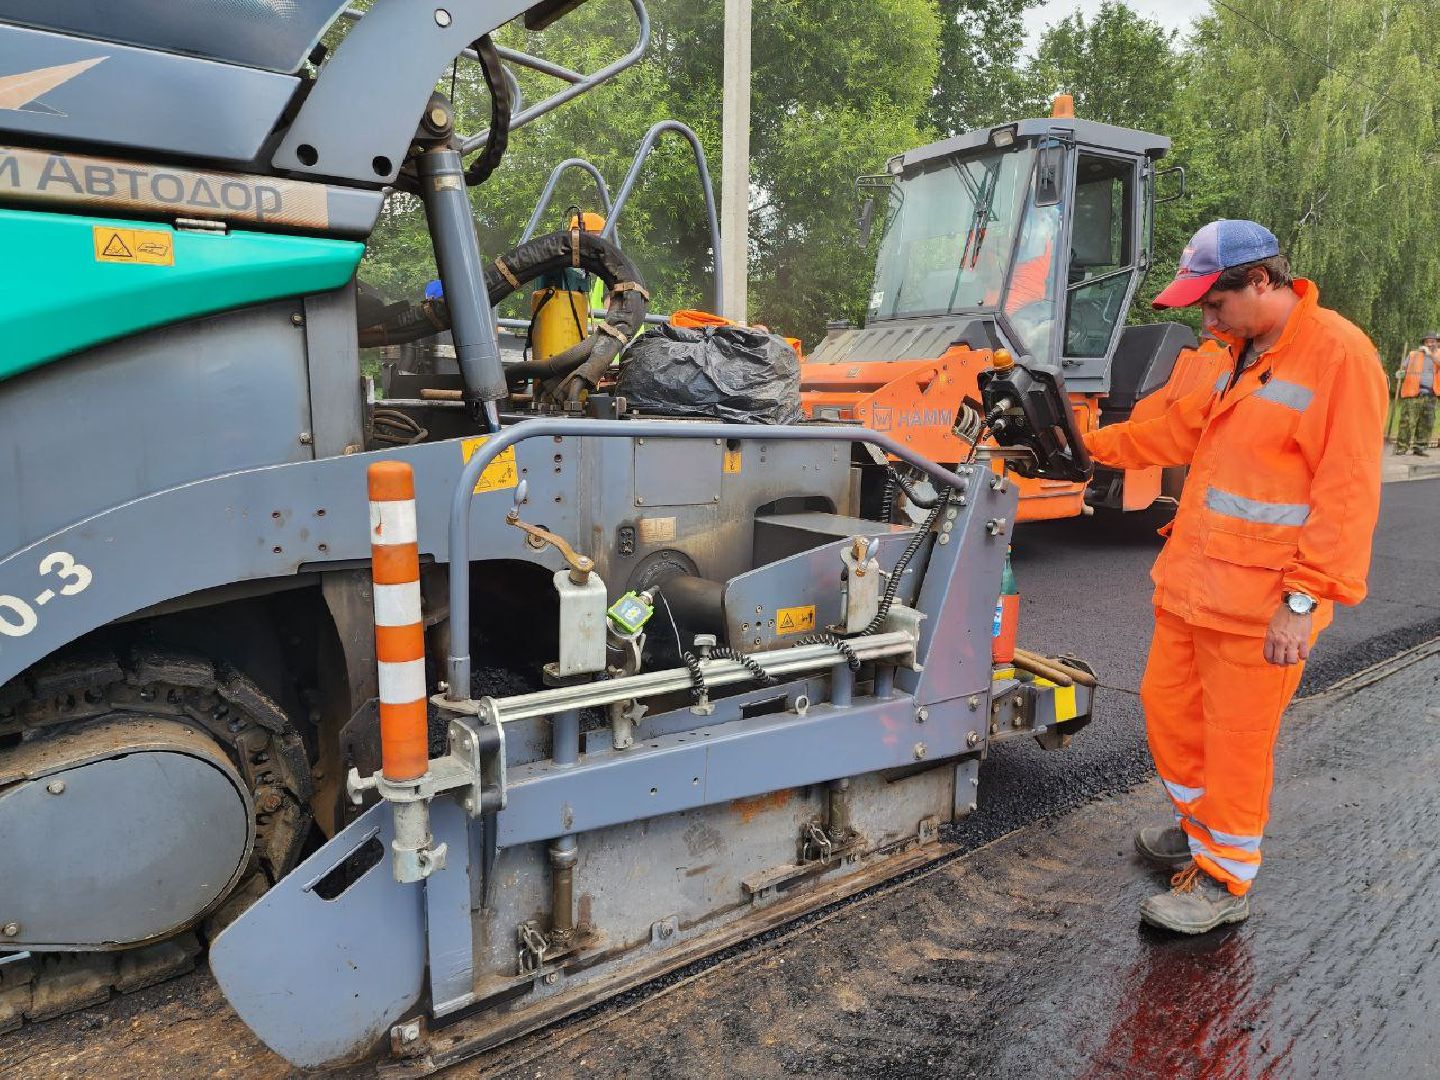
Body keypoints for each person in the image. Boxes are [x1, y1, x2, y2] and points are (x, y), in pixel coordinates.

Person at [1080, 219, 1388, 934]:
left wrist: (1303, 602)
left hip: (1263, 603)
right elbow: (1177, 430)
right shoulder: (1239, 354)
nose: (1207, 322)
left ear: (1260, 281)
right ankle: (1201, 830)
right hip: (1195, 584)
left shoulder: (1339, 356)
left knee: (1236, 741)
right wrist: (1085, 446)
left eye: (1215, 305)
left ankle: (1223, 876)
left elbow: (1347, 494)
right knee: (1169, 712)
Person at [1394, 331, 1440, 455]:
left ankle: (1420, 448)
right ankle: (1401, 447)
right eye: (1427, 341)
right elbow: (1404, 369)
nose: (1430, 344)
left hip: (1431, 394)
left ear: (1437, 343)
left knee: (1427, 422)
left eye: (1432, 341)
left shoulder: (1438, 355)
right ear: (1424, 343)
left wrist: (1430, 354)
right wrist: (1400, 373)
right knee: (1407, 422)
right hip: (1413, 392)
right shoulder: (1413, 354)